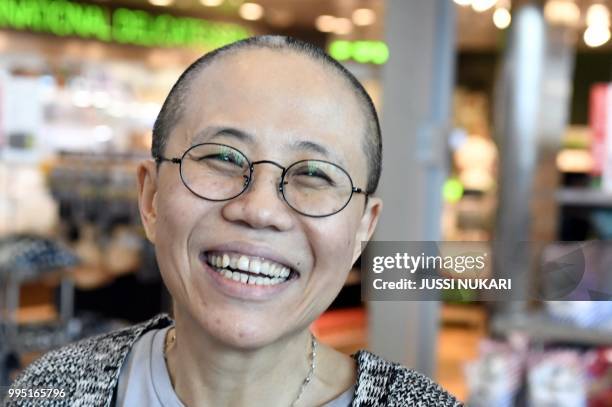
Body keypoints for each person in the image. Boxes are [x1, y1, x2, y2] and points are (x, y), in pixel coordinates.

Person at [6, 36, 461, 407]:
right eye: (223, 158)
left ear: (363, 229)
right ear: (150, 197)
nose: (259, 210)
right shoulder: (50, 390)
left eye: (314, 175)